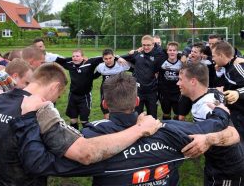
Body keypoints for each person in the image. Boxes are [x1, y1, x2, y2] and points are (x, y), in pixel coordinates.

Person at [0, 63, 161, 186]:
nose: (56, 100)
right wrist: (139, 129)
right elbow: (85, 153)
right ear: (55, 87)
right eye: (59, 95)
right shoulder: (41, 110)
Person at [80, 72, 234, 185]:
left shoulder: (90, 137)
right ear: (137, 101)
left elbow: (60, 154)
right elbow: (207, 127)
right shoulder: (170, 130)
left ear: (104, 104)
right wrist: (220, 112)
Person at [177, 62, 244, 185]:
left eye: (180, 79)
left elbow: (233, 135)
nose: (178, 83)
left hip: (226, 169)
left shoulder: (207, 106)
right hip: (215, 162)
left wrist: (207, 140)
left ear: (193, 81)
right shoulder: (210, 92)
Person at [53, 49, 104, 129]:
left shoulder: (90, 63)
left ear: (83, 57)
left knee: (84, 120)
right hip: (73, 96)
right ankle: (75, 136)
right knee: (73, 120)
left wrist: (118, 58)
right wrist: (71, 59)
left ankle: (86, 136)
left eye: (77, 56)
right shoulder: (70, 64)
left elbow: (104, 57)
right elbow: (58, 59)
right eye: (73, 56)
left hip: (85, 96)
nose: (75, 58)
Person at [122, 35, 167, 118]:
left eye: (148, 45)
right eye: (144, 45)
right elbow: (121, 57)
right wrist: (119, 58)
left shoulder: (159, 54)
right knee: (137, 116)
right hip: (138, 91)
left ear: (153, 44)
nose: (146, 47)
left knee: (152, 116)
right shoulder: (137, 54)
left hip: (152, 91)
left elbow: (172, 53)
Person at [211, 40, 244, 139]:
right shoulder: (225, 67)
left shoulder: (237, 66)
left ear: (221, 55)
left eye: (213, 56)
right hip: (235, 112)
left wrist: (238, 93)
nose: (212, 59)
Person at [94, 48, 130, 119]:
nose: (108, 60)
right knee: (104, 106)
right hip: (106, 89)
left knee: (119, 107)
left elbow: (135, 69)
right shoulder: (101, 66)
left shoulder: (121, 64)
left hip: (118, 89)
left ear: (114, 57)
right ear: (103, 59)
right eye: (106, 59)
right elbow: (94, 76)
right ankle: (108, 123)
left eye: (110, 58)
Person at [158, 41, 182, 120]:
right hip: (165, 93)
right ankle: (166, 129)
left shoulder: (182, 63)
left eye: (174, 50)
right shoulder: (162, 63)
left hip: (177, 93)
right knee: (166, 113)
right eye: (170, 50)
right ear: (167, 51)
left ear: (177, 52)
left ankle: (177, 129)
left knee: (177, 113)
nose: (172, 52)